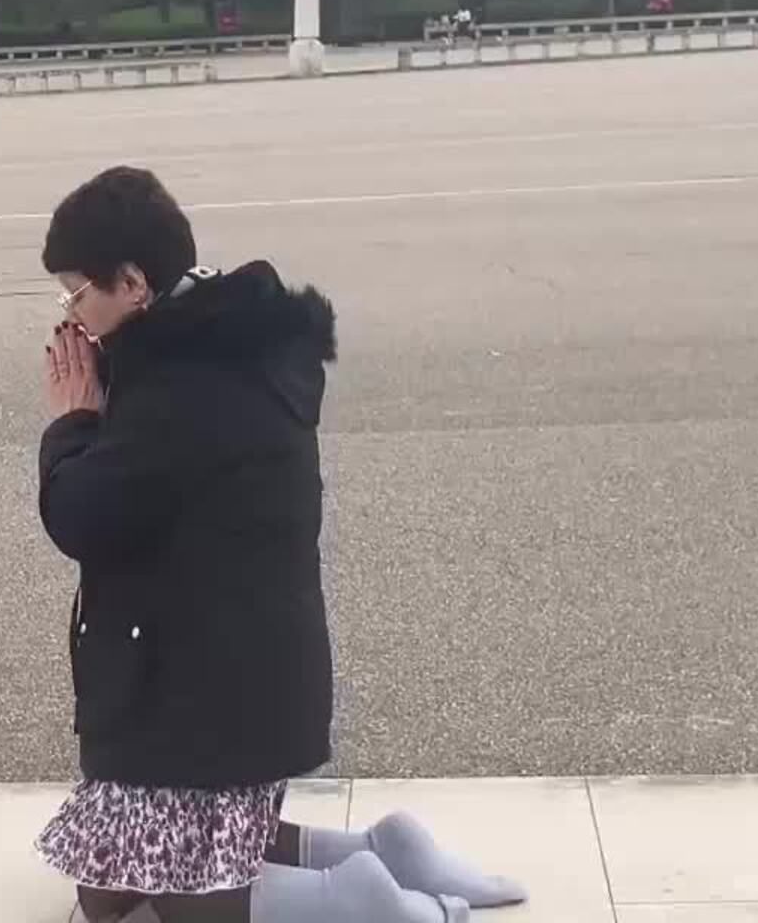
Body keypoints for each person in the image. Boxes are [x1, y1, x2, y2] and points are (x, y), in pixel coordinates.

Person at [36, 168, 525, 922]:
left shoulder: (178, 385)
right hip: (245, 674)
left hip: (200, 692)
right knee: (109, 889)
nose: (73, 314)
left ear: (133, 283)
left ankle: (358, 900)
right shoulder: (227, 339)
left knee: (174, 904)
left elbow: (84, 516)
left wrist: (72, 422)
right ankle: (386, 851)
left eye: (78, 294)